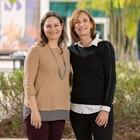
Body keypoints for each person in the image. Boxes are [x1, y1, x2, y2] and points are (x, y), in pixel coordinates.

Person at [68, 9, 116, 140]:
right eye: (77, 22)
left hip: (100, 110)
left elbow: (111, 79)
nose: (81, 24)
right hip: (76, 110)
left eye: (84, 20)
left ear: (91, 24)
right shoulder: (70, 50)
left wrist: (106, 108)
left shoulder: (105, 47)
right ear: (73, 27)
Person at [23, 11, 70, 140]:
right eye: (48, 26)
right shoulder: (36, 50)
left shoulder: (66, 52)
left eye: (56, 25)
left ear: (61, 26)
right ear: (43, 28)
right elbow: (28, 83)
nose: (53, 29)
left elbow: (66, 80)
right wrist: (34, 111)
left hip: (59, 111)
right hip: (38, 111)